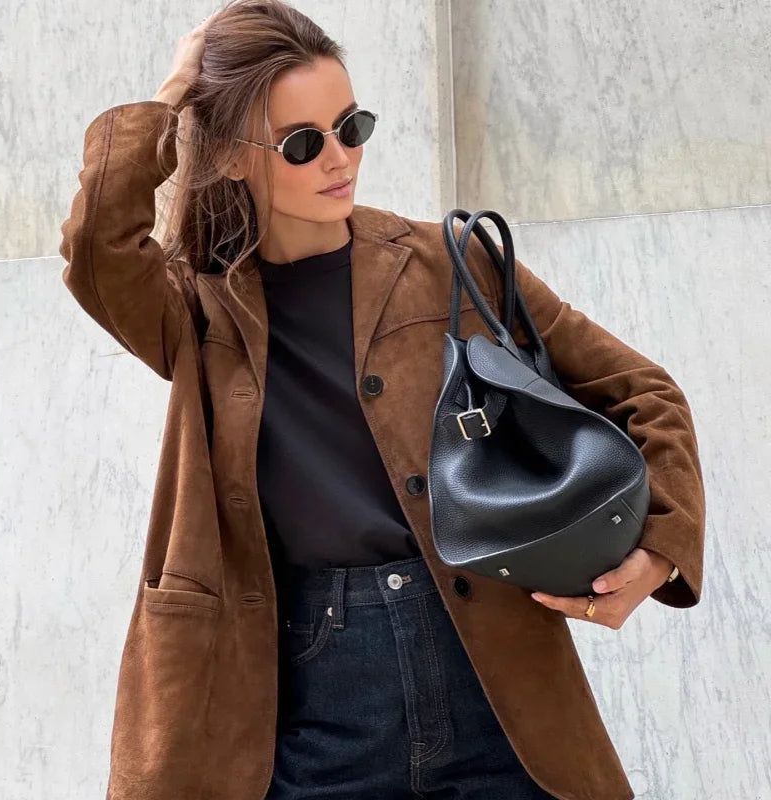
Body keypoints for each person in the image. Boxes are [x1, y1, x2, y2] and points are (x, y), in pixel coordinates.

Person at [58, 1, 705, 799]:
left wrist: (660, 549)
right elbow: (96, 250)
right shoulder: (196, 307)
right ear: (229, 156)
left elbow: (643, 391)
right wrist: (172, 98)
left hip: (489, 668)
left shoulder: (448, 262)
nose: (339, 159)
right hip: (309, 687)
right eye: (302, 143)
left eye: (351, 127)